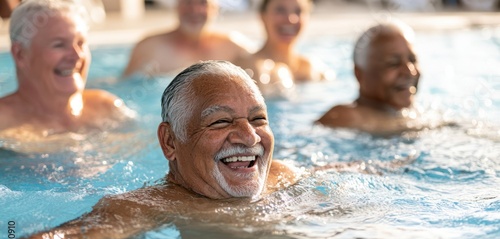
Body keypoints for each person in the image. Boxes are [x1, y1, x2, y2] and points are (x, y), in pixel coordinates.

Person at [1, 60, 393, 239]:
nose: (248, 136)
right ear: (170, 142)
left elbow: (353, 178)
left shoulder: (284, 177)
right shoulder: (147, 206)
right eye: (221, 122)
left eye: (258, 119)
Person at [0, 0, 134, 137]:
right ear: (20, 54)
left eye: (80, 43)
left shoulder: (108, 110)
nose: (77, 55)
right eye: (59, 45)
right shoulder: (3, 124)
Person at [316, 21, 438, 137]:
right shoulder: (344, 117)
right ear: (360, 74)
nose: (409, 71)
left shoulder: (421, 114)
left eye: (413, 60)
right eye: (393, 63)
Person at [122, 0, 252, 77]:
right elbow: (125, 89)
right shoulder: (150, 48)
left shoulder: (234, 47)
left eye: (202, 2)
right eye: (188, 1)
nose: (194, 10)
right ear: (177, 6)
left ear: (214, 8)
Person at [234, 0, 332, 96]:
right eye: (280, 10)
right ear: (263, 16)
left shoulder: (315, 69)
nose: (290, 19)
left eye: (298, 11)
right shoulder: (248, 68)